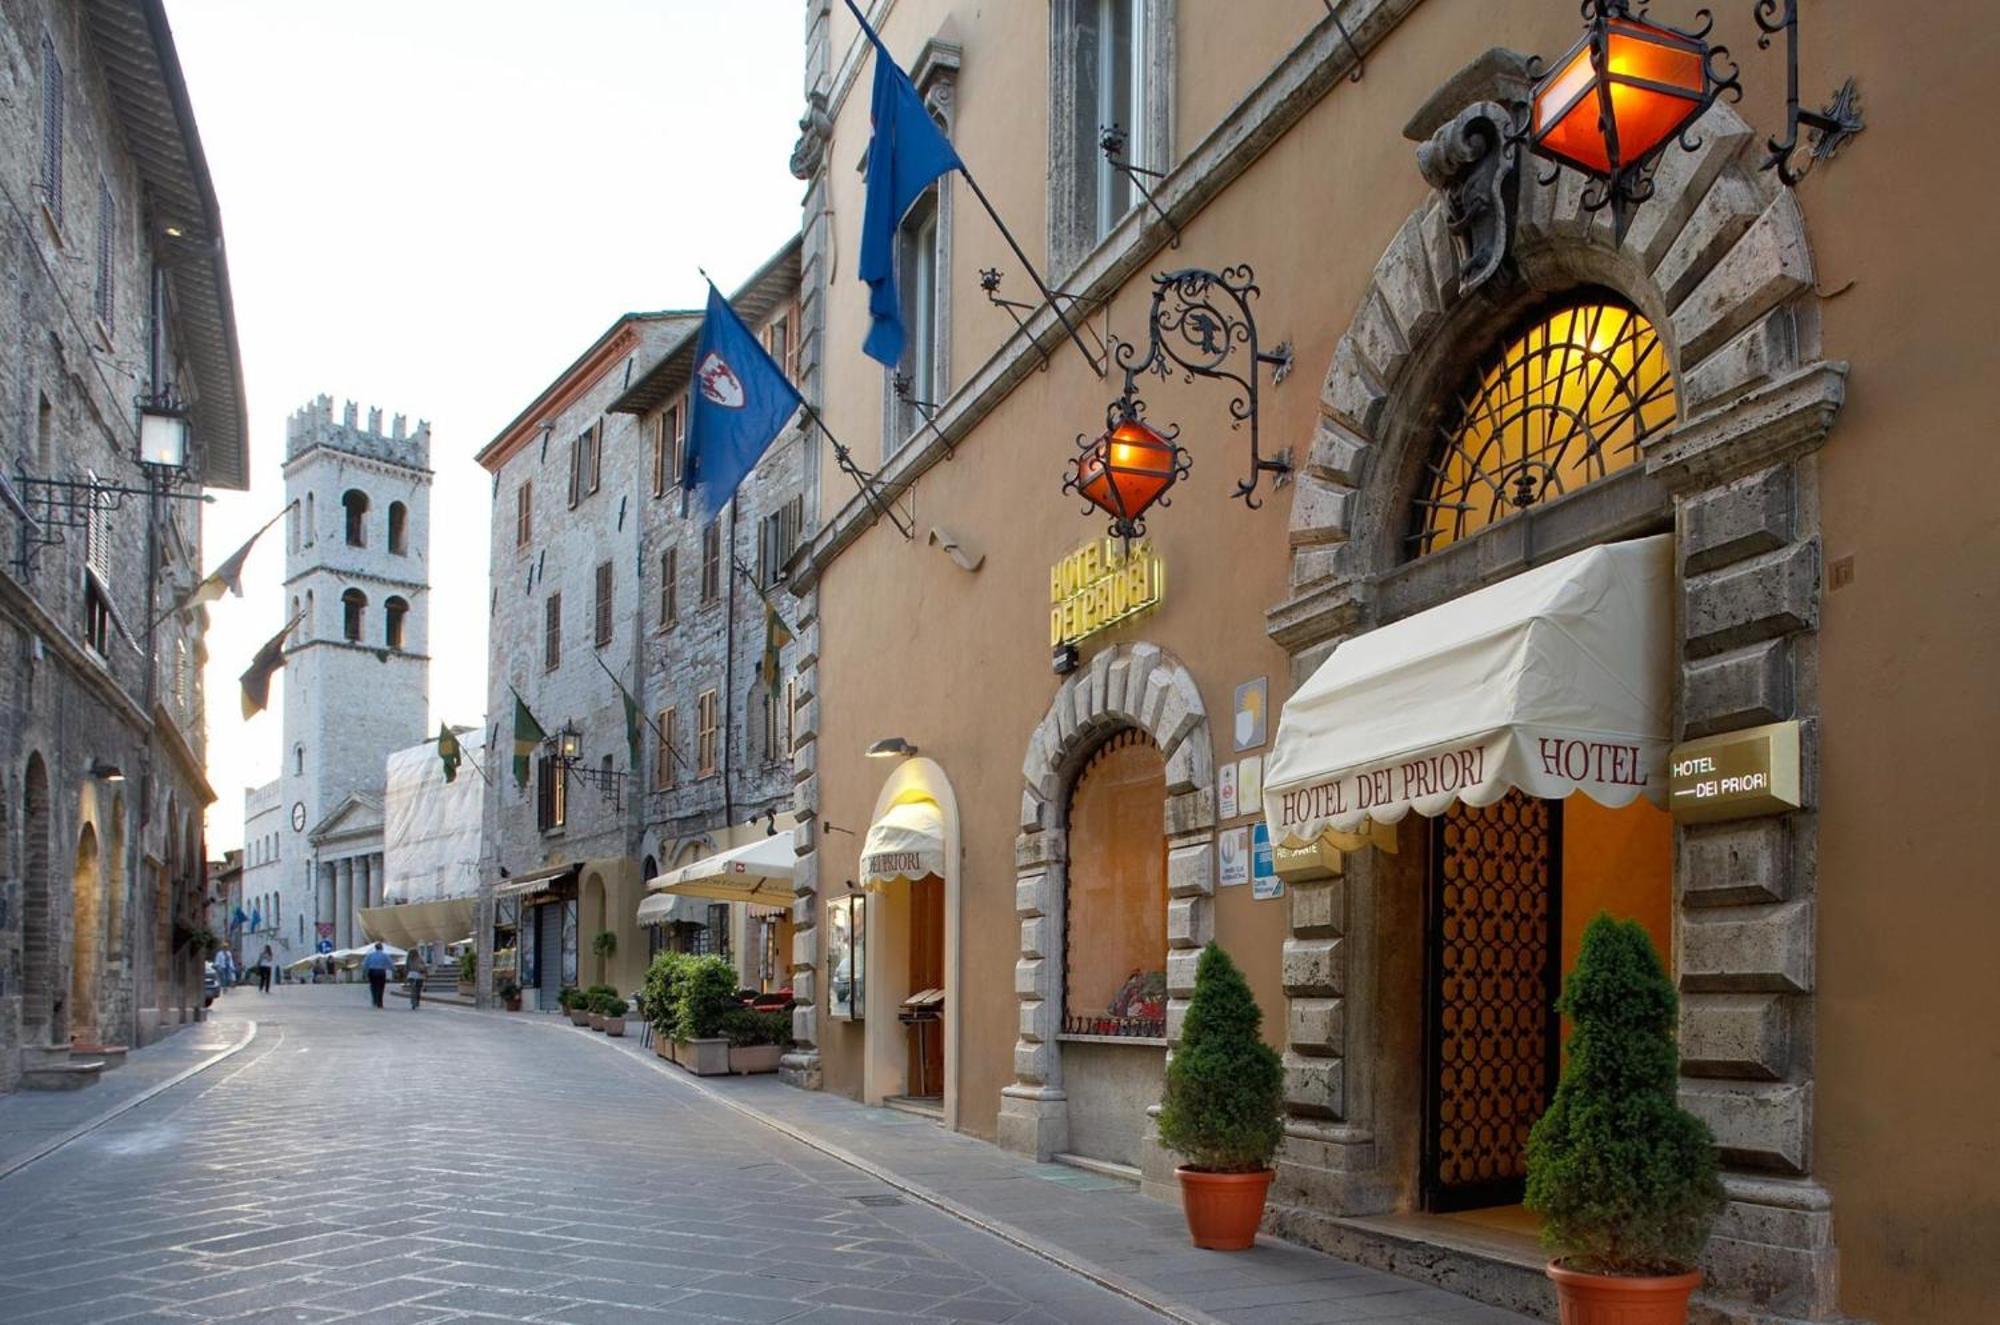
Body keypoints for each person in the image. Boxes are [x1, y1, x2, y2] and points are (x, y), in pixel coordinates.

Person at [361, 941, 395, 1008]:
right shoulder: (385, 955)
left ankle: (375, 1000)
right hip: (381, 972)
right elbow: (390, 964)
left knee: (373, 986)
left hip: (372, 971)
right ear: (382, 948)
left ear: (375, 948)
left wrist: (364, 973)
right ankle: (380, 1002)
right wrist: (394, 970)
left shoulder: (370, 955)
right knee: (381, 987)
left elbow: (365, 964)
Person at [405, 945, 428, 1010]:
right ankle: (417, 1002)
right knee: (418, 990)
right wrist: (425, 973)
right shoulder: (420, 958)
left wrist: (405, 977)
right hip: (419, 976)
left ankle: (413, 1002)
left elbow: (406, 968)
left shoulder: (408, 959)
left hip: (411, 976)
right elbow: (424, 967)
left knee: (413, 990)